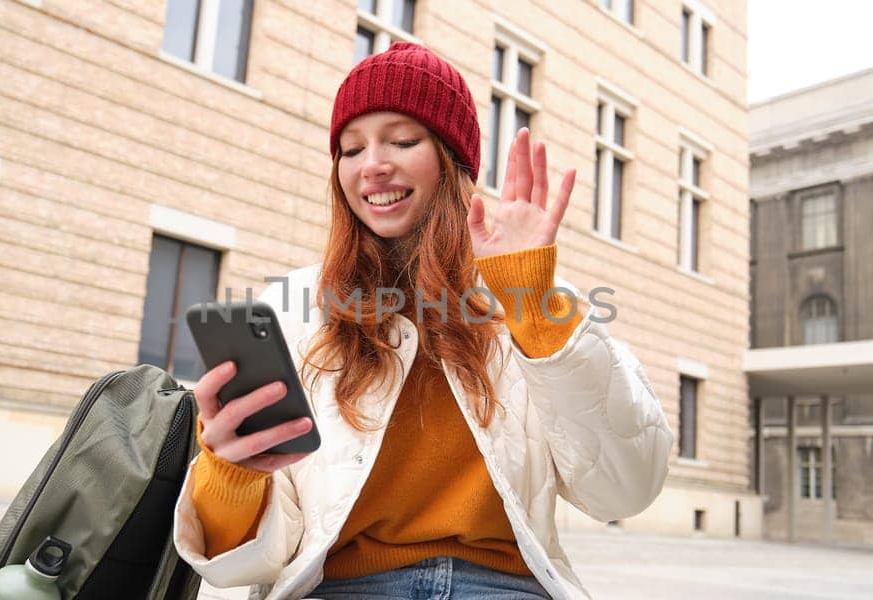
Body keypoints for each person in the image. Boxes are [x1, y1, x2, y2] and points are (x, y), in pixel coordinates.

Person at [172, 41, 673, 599]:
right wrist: (231, 471)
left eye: (403, 141)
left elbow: (625, 490)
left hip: (503, 586)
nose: (373, 164)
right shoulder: (296, 305)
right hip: (342, 587)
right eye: (350, 149)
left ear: (452, 161)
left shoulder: (527, 297)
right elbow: (237, 562)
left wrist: (534, 305)